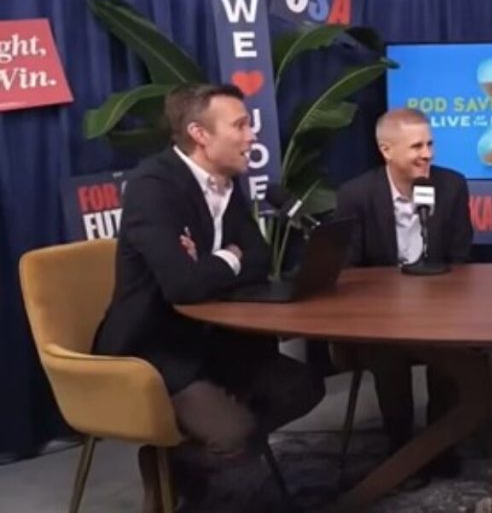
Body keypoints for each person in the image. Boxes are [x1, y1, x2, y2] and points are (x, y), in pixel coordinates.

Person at [93, 84, 325, 509]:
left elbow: (259, 259)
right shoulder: (153, 187)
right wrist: (228, 257)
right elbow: (182, 286)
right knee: (233, 435)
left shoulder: (228, 183)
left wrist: (210, 263)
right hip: (154, 347)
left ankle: (185, 460)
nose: (252, 135)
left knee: (303, 387)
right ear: (200, 134)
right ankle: (205, 464)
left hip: (213, 339)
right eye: (240, 125)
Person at [335, 107, 472, 479]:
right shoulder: (356, 195)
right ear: (386, 150)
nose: (427, 154)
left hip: (441, 308)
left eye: (430, 144)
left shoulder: (451, 186)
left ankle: (440, 443)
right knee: (387, 353)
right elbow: (350, 269)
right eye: (416, 147)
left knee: (450, 349)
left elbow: (461, 258)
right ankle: (401, 447)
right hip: (383, 314)